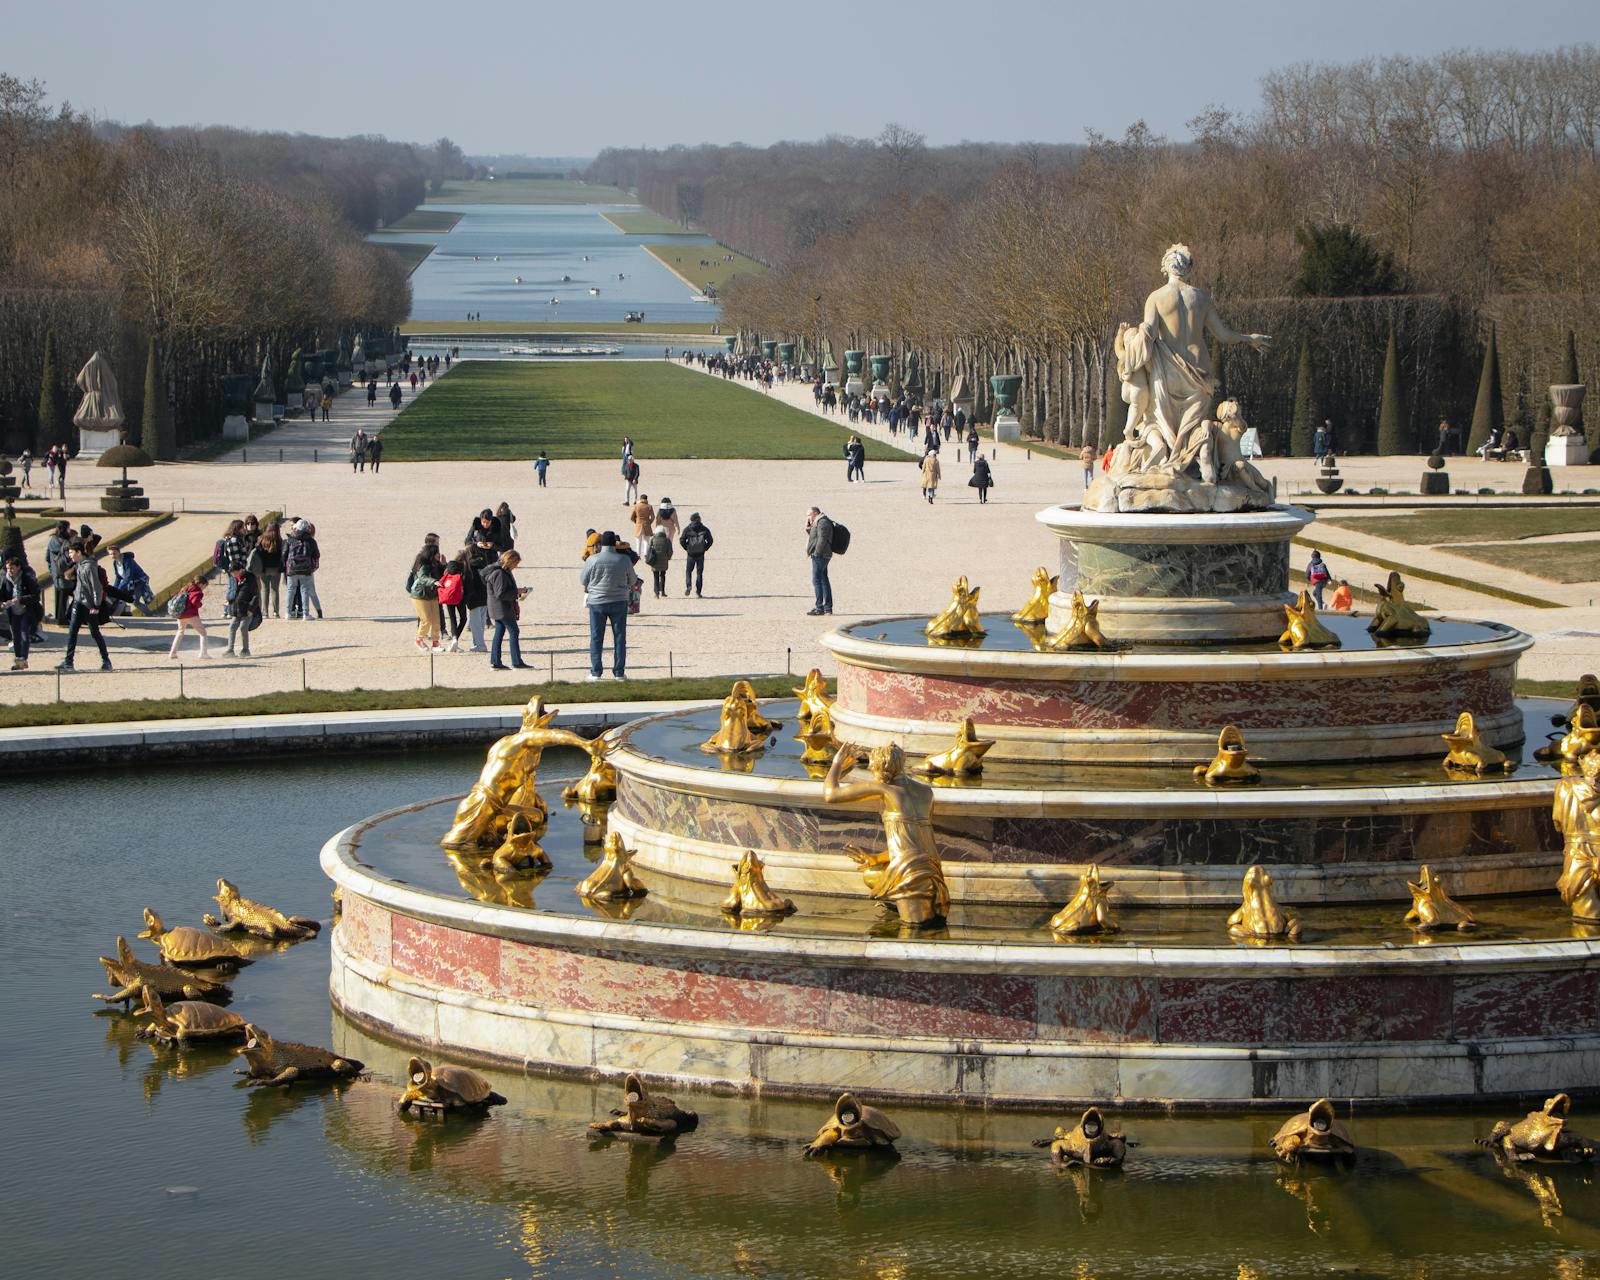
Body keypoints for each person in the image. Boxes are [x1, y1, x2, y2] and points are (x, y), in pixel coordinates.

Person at [579, 531, 634, 680]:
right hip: (619, 601)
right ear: (614, 544)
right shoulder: (624, 559)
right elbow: (633, 580)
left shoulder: (593, 559)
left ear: (600, 544)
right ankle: (619, 673)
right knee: (620, 637)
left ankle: (596, 672)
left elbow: (583, 580)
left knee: (596, 637)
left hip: (597, 602)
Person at [481, 549, 530, 670]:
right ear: (510, 561)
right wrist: (517, 592)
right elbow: (501, 594)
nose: (516, 566)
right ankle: (516, 662)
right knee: (514, 632)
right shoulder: (499, 573)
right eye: (515, 563)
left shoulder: (501, 571)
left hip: (498, 608)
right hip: (502, 609)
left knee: (499, 633)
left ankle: (496, 662)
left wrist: (517, 592)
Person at [2, 552, 40, 671]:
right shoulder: (6, 579)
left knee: (24, 635)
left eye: (12, 568)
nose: (10, 571)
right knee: (15, 637)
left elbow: (36, 595)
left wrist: (21, 599)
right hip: (13, 611)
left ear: (18, 567)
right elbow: (2, 593)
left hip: (25, 610)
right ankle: (19, 660)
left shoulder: (27, 578)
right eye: (8, 568)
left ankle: (23, 659)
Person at [406, 545, 444, 651]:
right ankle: (419, 640)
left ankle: (435, 642)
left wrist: (444, 565)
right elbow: (422, 577)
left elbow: (443, 575)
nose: (439, 554)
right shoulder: (423, 564)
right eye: (437, 553)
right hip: (420, 595)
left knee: (436, 619)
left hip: (432, 595)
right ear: (431, 554)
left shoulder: (436, 564)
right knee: (426, 619)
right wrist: (434, 581)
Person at [283, 519, 319, 621]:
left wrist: (285, 566)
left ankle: (288, 613)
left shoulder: (290, 539)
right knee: (304, 591)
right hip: (305, 569)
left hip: (292, 568)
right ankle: (305, 614)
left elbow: (284, 554)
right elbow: (316, 554)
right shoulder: (310, 541)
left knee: (290, 590)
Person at [168, 575, 209, 658]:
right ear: (201, 584)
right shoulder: (198, 592)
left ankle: (173, 653)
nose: (204, 588)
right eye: (204, 586)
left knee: (180, 632)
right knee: (203, 633)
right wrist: (200, 604)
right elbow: (195, 602)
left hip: (180, 614)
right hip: (191, 614)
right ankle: (203, 653)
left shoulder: (185, 588)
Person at [224, 566, 261, 658]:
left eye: (235, 573)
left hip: (247, 608)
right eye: (232, 574)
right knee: (232, 627)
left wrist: (251, 609)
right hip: (237, 608)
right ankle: (230, 650)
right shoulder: (234, 578)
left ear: (240, 570)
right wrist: (229, 600)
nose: (233, 575)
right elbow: (233, 592)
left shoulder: (250, 578)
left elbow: (256, 595)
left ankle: (245, 650)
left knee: (243, 627)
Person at [107, 544, 153, 615]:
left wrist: (119, 589)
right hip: (130, 583)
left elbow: (128, 576)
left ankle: (151, 615)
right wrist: (114, 589)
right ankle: (125, 612)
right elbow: (118, 577)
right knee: (122, 597)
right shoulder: (115, 562)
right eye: (110, 554)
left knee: (135, 601)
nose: (113, 556)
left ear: (119, 552)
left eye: (114, 553)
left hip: (139, 581)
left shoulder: (127, 561)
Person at [805, 507, 835, 616]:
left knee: (817, 580)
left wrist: (817, 553)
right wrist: (808, 528)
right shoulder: (818, 522)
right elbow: (815, 537)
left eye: (809, 514)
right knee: (823, 580)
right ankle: (826, 608)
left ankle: (820, 607)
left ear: (816, 513)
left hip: (821, 555)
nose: (808, 517)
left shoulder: (823, 522)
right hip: (822, 554)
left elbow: (822, 539)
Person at [45, 519, 72, 625]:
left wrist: (51, 569)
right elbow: (68, 558)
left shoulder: (52, 540)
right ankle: (62, 619)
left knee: (58, 594)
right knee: (63, 596)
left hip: (55, 572)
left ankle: (58, 617)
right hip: (64, 571)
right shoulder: (65, 541)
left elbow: (47, 557)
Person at [679, 511, 713, 598]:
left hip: (691, 554)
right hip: (700, 554)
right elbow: (710, 540)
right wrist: (705, 548)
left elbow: (682, 540)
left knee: (688, 571)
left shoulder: (687, 529)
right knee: (699, 573)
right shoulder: (704, 528)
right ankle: (698, 591)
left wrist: (686, 548)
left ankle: (689, 585)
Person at [437, 556, 467, 652]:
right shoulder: (461, 576)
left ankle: (454, 638)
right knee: (463, 619)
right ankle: (455, 639)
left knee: (452, 619)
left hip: (448, 599)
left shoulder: (446, 576)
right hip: (460, 599)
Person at [645, 522, 674, 597]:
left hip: (654, 561)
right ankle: (663, 591)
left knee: (656, 576)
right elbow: (670, 551)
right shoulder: (667, 540)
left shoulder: (652, 539)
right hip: (664, 561)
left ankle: (656, 592)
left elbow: (648, 550)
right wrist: (668, 557)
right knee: (663, 575)